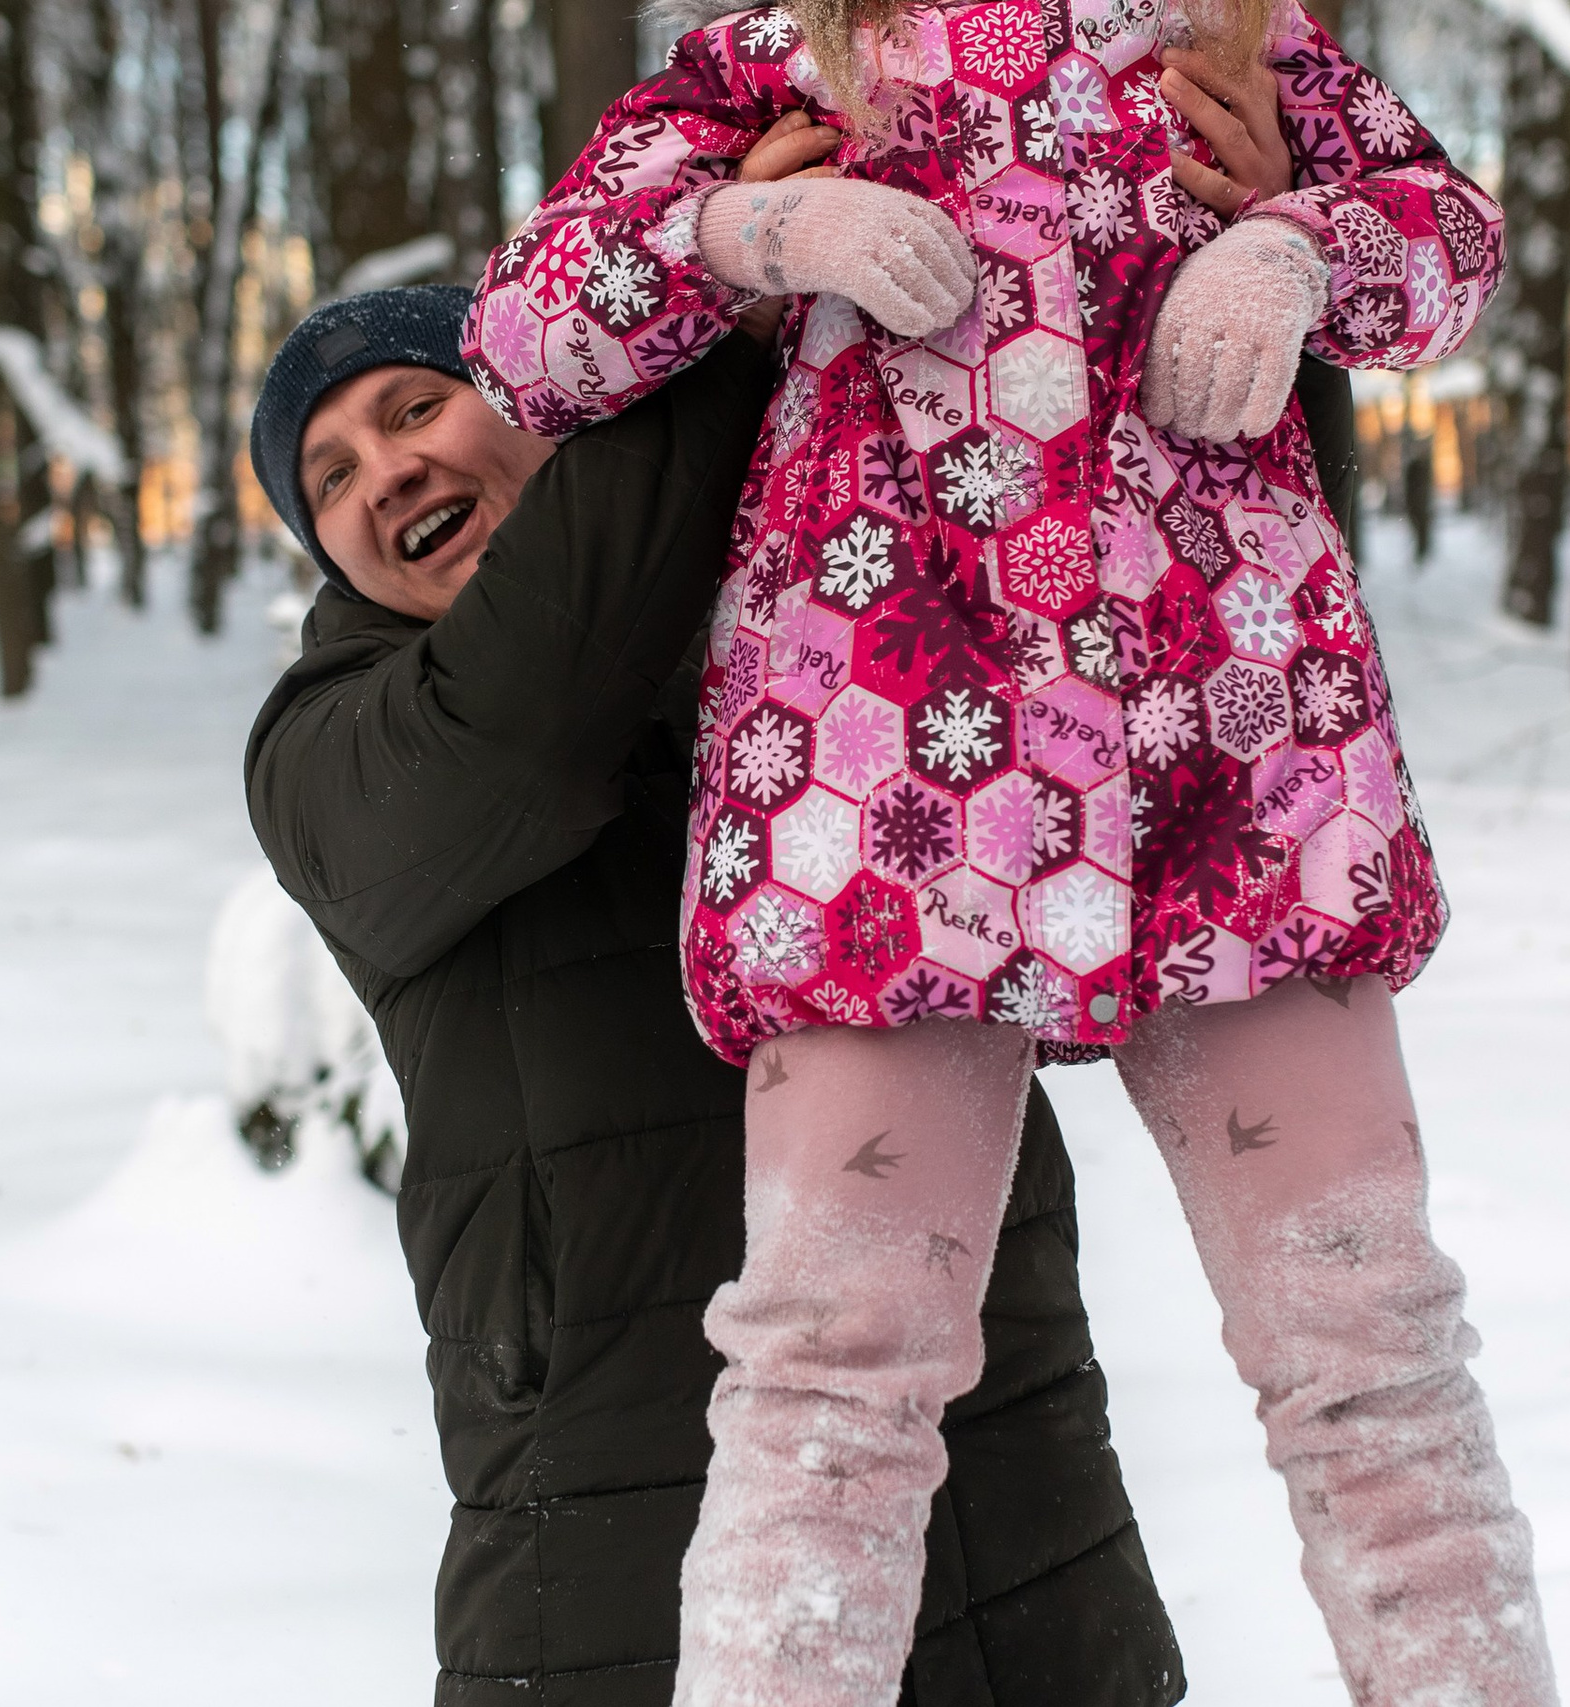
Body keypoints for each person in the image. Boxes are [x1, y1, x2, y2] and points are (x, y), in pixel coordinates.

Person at [461, 3, 1558, 1706]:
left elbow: (1451, 239)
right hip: (882, 771)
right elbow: (531, 333)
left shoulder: (1232, 36)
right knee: (831, 1385)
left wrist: (1294, 249)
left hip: (1242, 756)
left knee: (1372, 1351)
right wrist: (753, 229)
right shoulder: (780, 50)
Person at [241, 124, 1197, 1707]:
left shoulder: (833, 580)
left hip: (1003, 1448)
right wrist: (706, 290)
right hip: (624, 1510)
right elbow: (541, 708)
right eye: (329, 478)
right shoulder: (331, 751)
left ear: (525, 409)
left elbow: (1099, 704)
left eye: (417, 407)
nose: (386, 470)